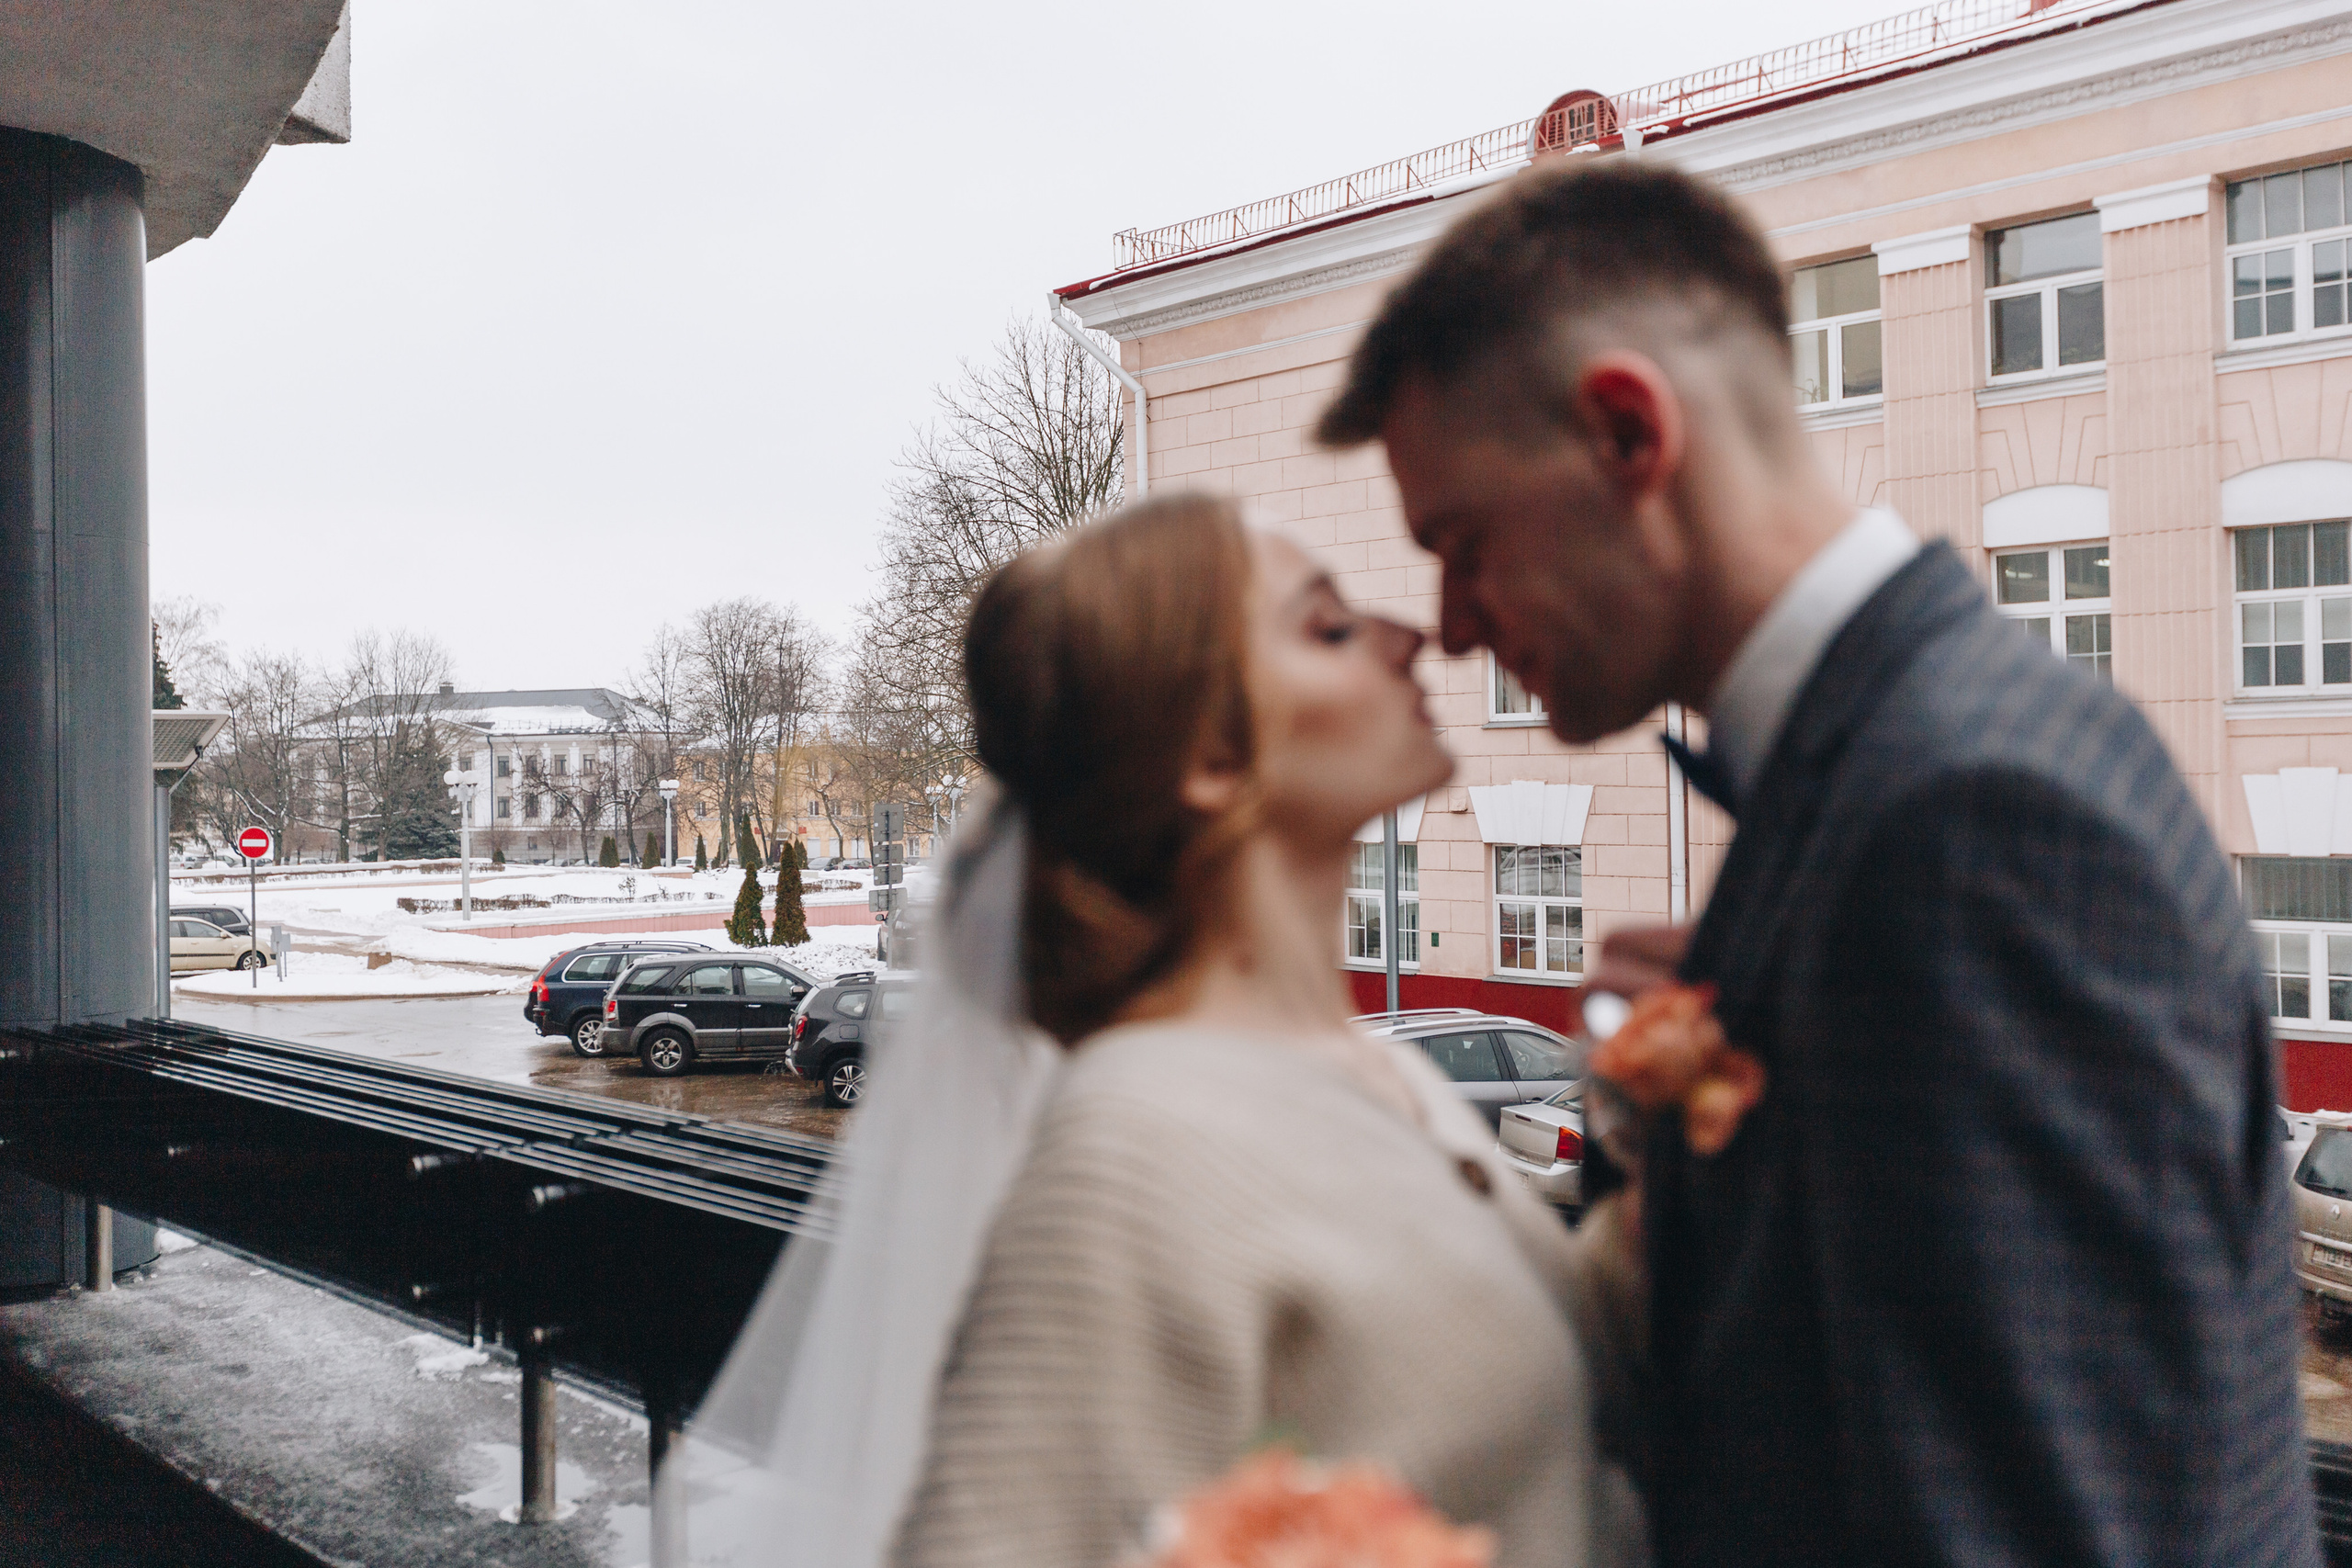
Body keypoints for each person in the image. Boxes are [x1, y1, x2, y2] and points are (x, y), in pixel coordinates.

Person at [1315, 156, 2317, 1566]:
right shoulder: (1896, 773)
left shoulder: (1965, 824)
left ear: (1625, 432)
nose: (1455, 623)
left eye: (1463, 542)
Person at [674, 492, 1648, 1568]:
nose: (1411, 636)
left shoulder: (1374, 1074)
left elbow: (1542, 1398)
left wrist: (1677, 1141)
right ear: (1210, 762)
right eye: (1328, 628)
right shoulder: (1131, 1151)